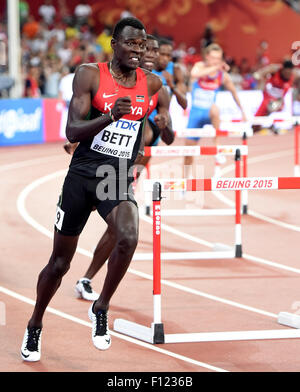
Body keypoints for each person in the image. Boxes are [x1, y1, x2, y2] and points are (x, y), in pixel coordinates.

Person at [21, 17, 162, 361]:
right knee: (59, 264)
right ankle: (35, 324)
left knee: (128, 235)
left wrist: (148, 142)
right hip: (82, 175)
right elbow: (71, 131)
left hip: (114, 176)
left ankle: (101, 306)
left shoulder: (152, 83)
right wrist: (110, 117)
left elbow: (145, 118)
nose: (137, 50)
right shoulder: (90, 75)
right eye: (130, 43)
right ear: (114, 44)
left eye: (142, 45)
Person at [71, 34, 174, 301]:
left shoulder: (157, 87)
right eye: (146, 50)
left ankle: (86, 279)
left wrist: (165, 123)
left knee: (118, 229)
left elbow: (170, 138)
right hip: (101, 164)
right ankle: (77, 270)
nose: (150, 55)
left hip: (131, 169)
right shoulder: (120, 83)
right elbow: (92, 116)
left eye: (154, 51)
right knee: (95, 219)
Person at [184, 43, 247, 178]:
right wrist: (216, 67)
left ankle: (217, 147)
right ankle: (185, 179)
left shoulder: (222, 75)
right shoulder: (200, 66)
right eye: (213, 58)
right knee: (188, 152)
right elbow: (194, 74)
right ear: (207, 57)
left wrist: (243, 112)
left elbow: (234, 93)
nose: (216, 61)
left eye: (218, 58)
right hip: (195, 114)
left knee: (215, 109)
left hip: (209, 113)